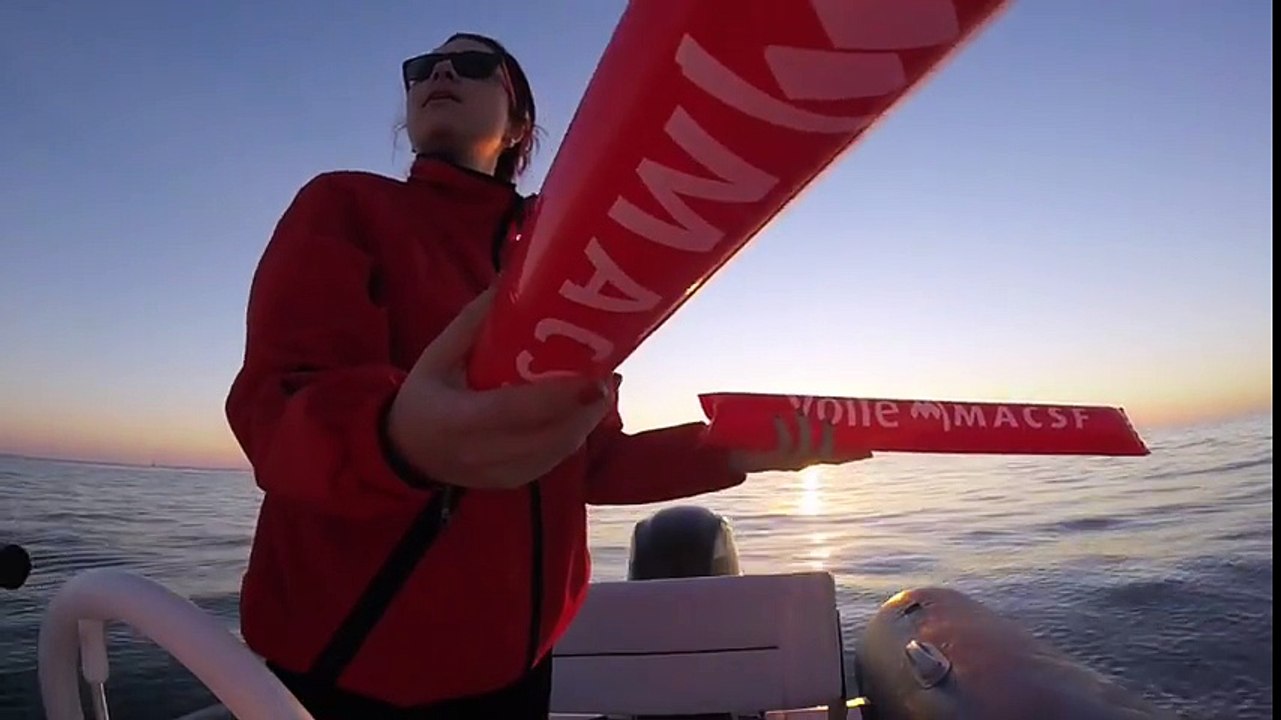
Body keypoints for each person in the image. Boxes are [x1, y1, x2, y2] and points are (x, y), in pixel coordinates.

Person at [225, 31, 867, 719]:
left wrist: (733, 448)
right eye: (421, 69)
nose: (438, 71)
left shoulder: (569, 258)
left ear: (518, 126)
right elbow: (276, 405)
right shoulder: (345, 206)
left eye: (472, 66)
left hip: (521, 665)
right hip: (348, 667)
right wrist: (398, 439)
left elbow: (589, 463)